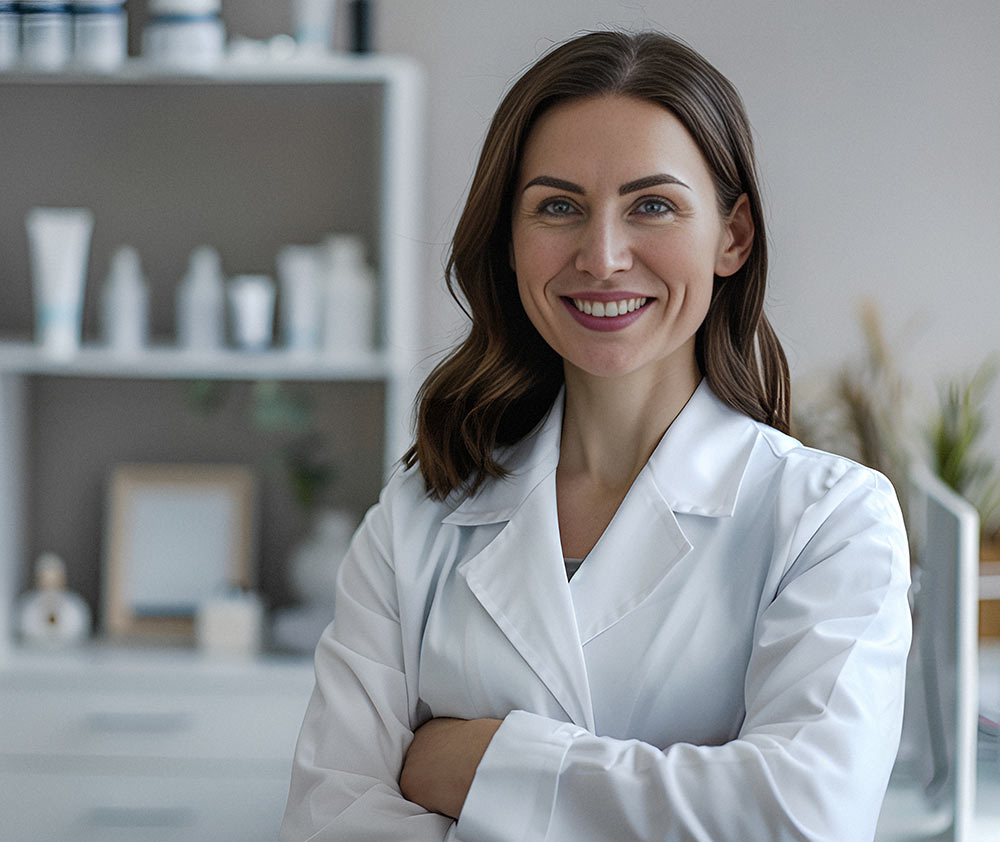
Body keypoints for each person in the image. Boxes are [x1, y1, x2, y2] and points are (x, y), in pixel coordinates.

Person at [279, 30, 912, 842]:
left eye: (652, 204)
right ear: (509, 240)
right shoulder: (417, 521)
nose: (602, 255)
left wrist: (478, 766)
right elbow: (326, 823)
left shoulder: (830, 521)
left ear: (733, 236)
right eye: (557, 206)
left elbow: (802, 818)